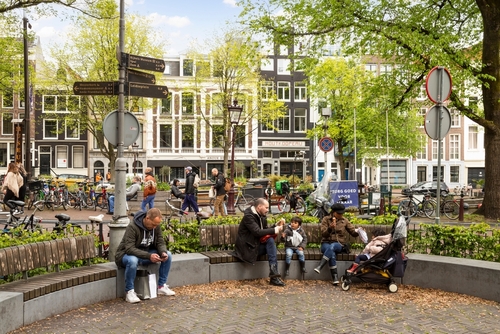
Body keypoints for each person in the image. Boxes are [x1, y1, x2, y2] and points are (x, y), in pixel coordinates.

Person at [114, 208, 175, 303]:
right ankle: (129, 292)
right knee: (133, 261)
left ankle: (161, 286)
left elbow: (160, 241)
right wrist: (148, 256)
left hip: (145, 254)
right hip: (126, 255)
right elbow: (129, 248)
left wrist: (162, 252)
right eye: (153, 224)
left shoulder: (156, 227)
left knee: (168, 255)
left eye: (157, 225)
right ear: (147, 218)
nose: (155, 227)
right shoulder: (132, 226)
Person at [231, 198, 286, 286]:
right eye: (266, 208)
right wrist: (274, 230)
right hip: (247, 248)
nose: (268, 210)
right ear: (259, 207)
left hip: (255, 245)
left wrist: (275, 225)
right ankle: (274, 275)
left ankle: (274, 275)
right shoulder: (248, 217)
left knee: (270, 241)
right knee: (271, 242)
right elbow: (257, 232)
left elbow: (264, 230)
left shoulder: (261, 216)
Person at [313, 203, 359, 285]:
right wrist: (330, 228)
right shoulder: (326, 219)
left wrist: (359, 232)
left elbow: (353, 232)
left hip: (339, 243)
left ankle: (320, 266)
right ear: (333, 212)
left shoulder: (344, 221)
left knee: (333, 246)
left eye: (342, 213)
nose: (341, 215)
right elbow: (323, 234)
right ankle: (335, 278)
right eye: (339, 213)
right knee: (332, 254)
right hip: (326, 243)